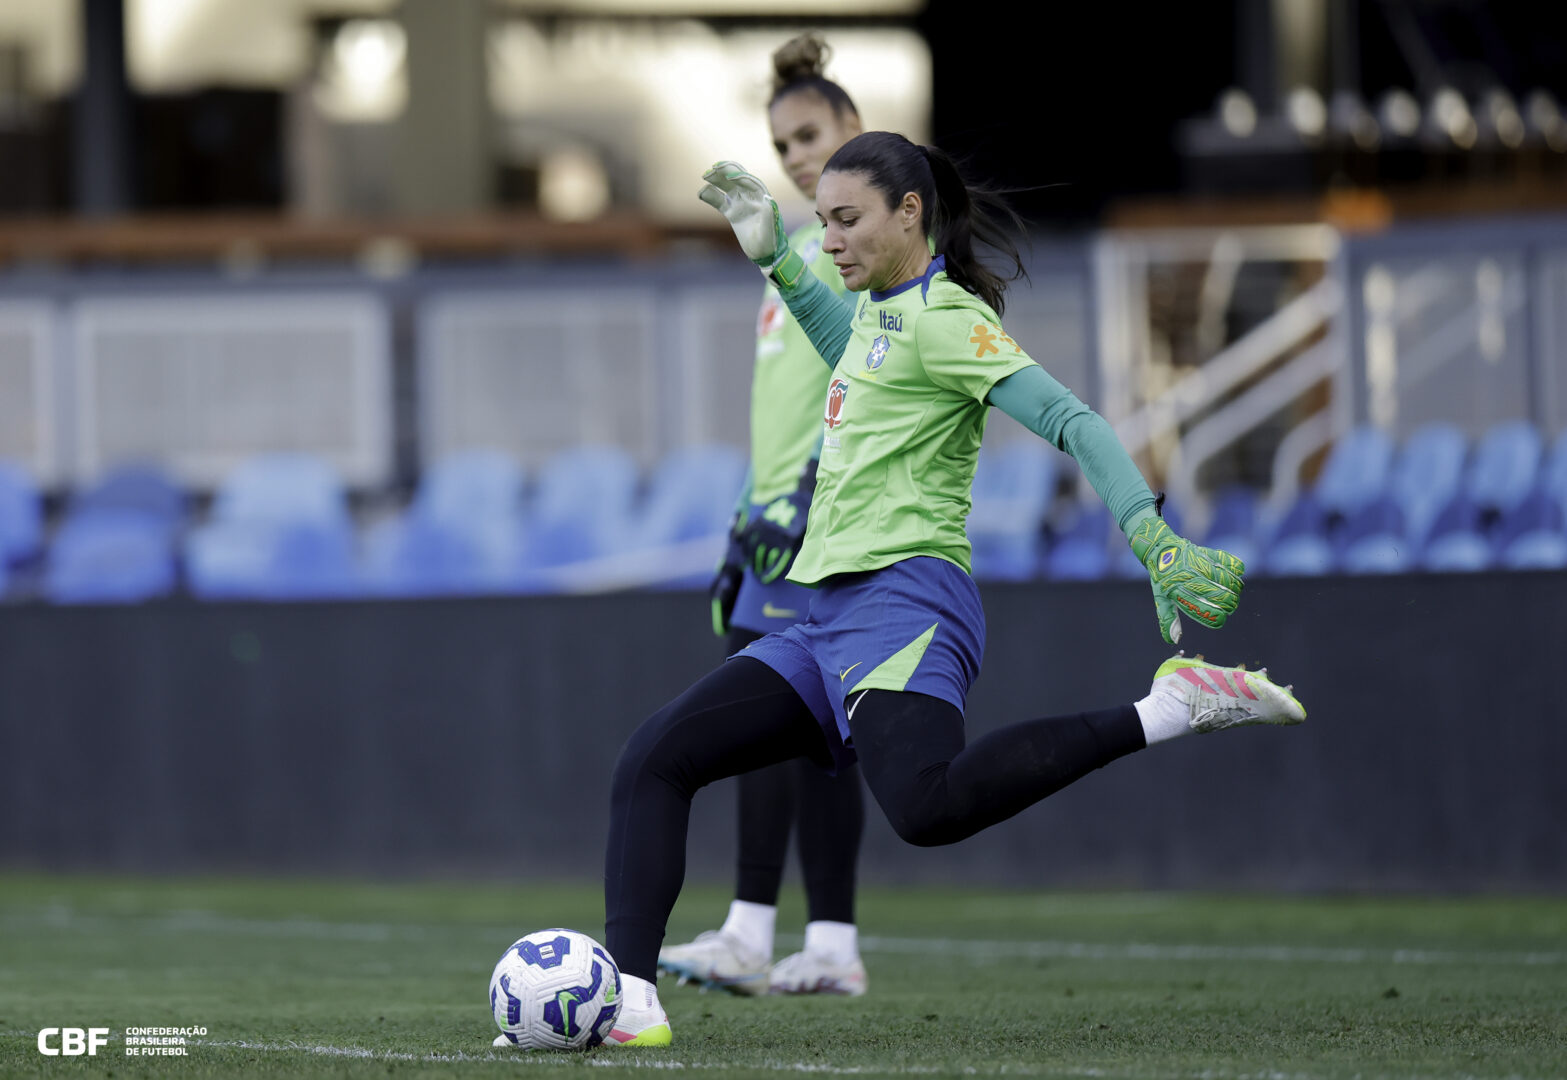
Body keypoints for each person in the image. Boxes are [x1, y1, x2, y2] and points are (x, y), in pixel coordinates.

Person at [588, 132, 1308, 1050]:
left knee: (925, 810)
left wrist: (1148, 532)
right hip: (821, 618)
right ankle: (630, 1002)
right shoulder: (881, 315)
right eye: (821, 223)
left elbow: (1070, 418)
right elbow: (850, 346)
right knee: (653, 760)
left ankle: (1166, 709)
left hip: (906, 602)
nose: (832, 239)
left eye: (845, 221)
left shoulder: (946, 318)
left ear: (910, 212)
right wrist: (775, 258)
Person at [662, 31, 869, 1001]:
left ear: (852, 130)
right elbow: (782, 406)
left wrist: (815, 485)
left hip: (830, 521)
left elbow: (880, 382)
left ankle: (813, 941)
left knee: (811, 726)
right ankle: (785, 939)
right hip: (773, 527)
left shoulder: (870, 245)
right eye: (782, 142)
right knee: (777, 726)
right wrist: (749, 512)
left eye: (808, 135)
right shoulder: (790, 253)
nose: (793, 155)